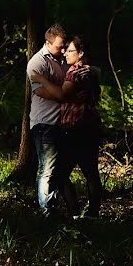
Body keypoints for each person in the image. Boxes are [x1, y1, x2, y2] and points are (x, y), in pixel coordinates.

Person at [30, 35, 103, 219]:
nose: (66, 53)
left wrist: (40, 79)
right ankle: (91, 214)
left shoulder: (75, 72)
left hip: (77, 128)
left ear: (81, 53)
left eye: (70, 50)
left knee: (61, 174)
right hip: (90, 126)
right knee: (90, 171)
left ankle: (75, 214)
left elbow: (62, 94)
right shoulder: (91, 72)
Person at [26, 24, 72, 219]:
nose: (63, 50)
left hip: (62, 124)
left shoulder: (63, 59)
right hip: (44, 124)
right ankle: (47, 212)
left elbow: (64, 92)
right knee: (48, 168)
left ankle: (64, 208)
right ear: (48, 43)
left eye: (64, 47)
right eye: (59, 47)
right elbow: (49, 93)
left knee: (60, 169)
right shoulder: (37, 63)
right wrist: (62, 92)